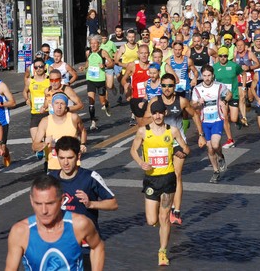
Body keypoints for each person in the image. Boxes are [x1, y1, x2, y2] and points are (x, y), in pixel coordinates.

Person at [130, 99, 190, 266]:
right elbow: (133, 150)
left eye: (160, 112)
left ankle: (162, 252)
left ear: (165, 113)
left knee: (164, 218)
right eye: (154, 113)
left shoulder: (173, 131)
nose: (157, 116)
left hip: (168, 178)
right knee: (151, 220)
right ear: (151, 115)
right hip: (151, 179)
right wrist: (141, 162)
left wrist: (180, 152)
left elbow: (186, 149)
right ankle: (160, 229)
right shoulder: (143, 131)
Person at [5, 175, 105, 271]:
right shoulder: (20, 232)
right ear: (31, 200)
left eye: (50, 203)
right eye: (38, 204)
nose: (44, 210)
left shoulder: (79, 224)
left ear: (62, 200)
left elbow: (97, 247)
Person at [145, 73, 203, 226]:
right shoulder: (155, 101)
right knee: (160, 175)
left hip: (177, 142)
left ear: (174, 86)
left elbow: (195, 115)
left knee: (176, 175)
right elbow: (144, 120)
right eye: (164, 85)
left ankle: (176, 211)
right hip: (159, 144)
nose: (167, 88)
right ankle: (162, 205)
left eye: (170, 85)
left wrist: (201, 135)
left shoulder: (182, 101)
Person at [49, 136, 117, 236]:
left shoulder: (90, 177)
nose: (66, 162)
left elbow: (113, 204)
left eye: (70, 158)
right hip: (60, 242)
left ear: (78, 156)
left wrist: (91, 204)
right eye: (62, 158)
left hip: (86, 243)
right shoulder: (49, 179)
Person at [191, 65, 232, 183]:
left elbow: (229, 94)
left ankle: (221, 156)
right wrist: (198, 102)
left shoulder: (219, 86)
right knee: (209, 148)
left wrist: (224, 101)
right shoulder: (197, 89)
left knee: (215, 145)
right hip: (205, 121)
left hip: (217, 120)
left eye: (209, 75)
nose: (207, 78)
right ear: (201, 76)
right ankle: (215, 171)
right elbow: (193, 105)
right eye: (204, 76)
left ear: (213, 75)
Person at [33, 93, 87, 172]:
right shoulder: (45, 121)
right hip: (54, 167)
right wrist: (45, 143)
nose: (59, 107)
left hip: (73, 166)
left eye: (62, 103)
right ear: (52, 105)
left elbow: (83, 131)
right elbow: (34, 146)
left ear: (66, 106)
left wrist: (83, 144)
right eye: (56, 103)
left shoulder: (74, 118)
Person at [79, 35, 114, 131]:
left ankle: (106, 104)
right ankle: (93, 122)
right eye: (91, 43)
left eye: (95, 43)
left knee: (102, 101)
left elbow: (111, 62)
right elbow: (88, 62)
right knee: (91, 101)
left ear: (99, 44)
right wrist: (84, 67)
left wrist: (105, 65)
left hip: (100, 80)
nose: (93, 45)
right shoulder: (88, 52)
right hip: (90, 79)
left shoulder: (103, 52)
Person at [213, 46, 245, 150]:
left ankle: (238, 122)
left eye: (225, 56)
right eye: (221, 56)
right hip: (222, 96)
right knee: (225, 118)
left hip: (234, 94)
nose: (223, 58)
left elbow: (243, 73)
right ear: (218, 56)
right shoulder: (215, 67)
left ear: (228, 56)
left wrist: (243, 87)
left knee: (233, 118)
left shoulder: (234, 66)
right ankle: (230, 139)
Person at [121, 44, 152, 127]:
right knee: (141, 126)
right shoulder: (133, 65)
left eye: (146, 53)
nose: (144, 55)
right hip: (137, 98)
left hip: (150, 98)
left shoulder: (152, 66)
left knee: (152, 125)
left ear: (149, 53)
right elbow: (123, 79)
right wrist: (126, 85)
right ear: (138, 54)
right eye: (141, 53)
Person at [24, 57, 51, 145]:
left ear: (45, 67)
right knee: (36, 141)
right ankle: (40, 151)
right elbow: (25, 91)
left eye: (41, 66)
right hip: (35, 114)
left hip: (48, 113)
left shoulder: (50, 80)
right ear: (34, 69)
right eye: (36, 67)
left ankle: (48, 157)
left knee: (48, 139)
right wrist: (27, 99)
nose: (38, 69)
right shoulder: (30, 80)